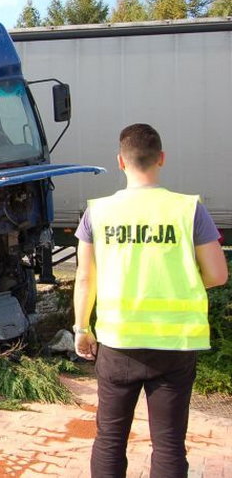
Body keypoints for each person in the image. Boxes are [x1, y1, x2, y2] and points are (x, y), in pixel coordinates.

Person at [72, 123, 227, 478]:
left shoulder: (97, 211)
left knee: (110, 439)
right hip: (174, 344)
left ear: (121, 162)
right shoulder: (189, 210)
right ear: (162, 159)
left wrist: (82, 329)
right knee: (169, 444)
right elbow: (217, 275)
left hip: (117, 343)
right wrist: (179, 280)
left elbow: (84, 277)